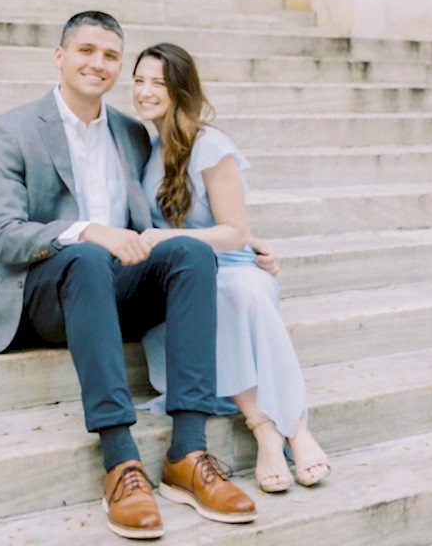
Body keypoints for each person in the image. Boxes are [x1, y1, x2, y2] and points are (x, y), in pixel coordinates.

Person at [0, 11, 257, 540]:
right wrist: (86, 230)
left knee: (190, 254)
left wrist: (239, 236)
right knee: (84, 257)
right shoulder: (13, 128)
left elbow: (161, 219)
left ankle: (188, 451)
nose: (97, 64)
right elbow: (2, 234)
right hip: (45, 292)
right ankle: (121, 461)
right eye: (85, 51)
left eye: (109, 56)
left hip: (115, 288)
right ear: (59, 57)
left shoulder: (131, 132)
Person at [133, 42, 331, 493]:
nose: (145, 92)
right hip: (184, 275)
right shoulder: (145, 146)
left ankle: (294, 432)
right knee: (206, 294)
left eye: (158, 83)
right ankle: (267, 430)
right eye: (139, 80)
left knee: (236, 292)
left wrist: (167, 238)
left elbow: (234, 234)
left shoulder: (211, 145)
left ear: (180, 90)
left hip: (234, 267)